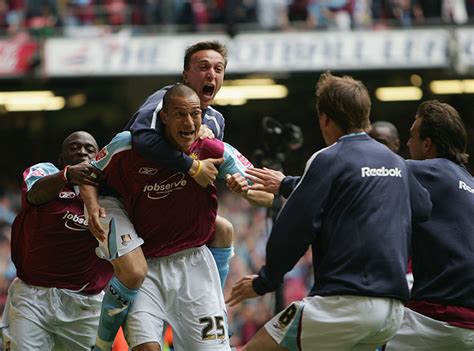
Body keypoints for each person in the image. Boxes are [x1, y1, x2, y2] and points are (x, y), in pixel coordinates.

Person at [226, 72, 432, 351]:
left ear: (325, 119)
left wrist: (265, 282)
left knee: (256, 348)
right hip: (392, 310)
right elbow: (423, 208)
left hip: (343, 305)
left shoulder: (329, 158)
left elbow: (293, 228)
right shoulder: (396, 162)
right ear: (365, 115)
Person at [83, 84, 273, 351]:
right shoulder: (127, 147)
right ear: (163, 117)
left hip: (195, 266)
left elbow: (267, 196)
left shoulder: (214, 150)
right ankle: (100, 346)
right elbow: (89, 174)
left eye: (195, 114)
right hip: (147, 267)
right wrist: (91, 205)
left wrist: (246, 190)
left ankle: (214, 302)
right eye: (180, 115)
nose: (189, 122)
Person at [89, 40, 236, 350]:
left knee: (223, 229)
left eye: (218, 69)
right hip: (124, 209)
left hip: (184, 255)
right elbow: (141, 138)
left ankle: (212, 302)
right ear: (185, 74)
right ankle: (101, 344)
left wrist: (249, 183)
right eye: (203, 67)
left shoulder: (216, 123)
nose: (211, 74)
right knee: (134, 270)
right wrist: (192, 167)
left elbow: (234, 176)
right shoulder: (159, 103)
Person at [1, 131, 114, 351]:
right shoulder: (44, 173)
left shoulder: (110, 191)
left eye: (89, 149)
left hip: (85, 304)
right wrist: (67, 176)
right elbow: (34, 195)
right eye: (74, 147)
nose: (82, 151)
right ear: (61, 159)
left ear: (99, 157)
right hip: (32, 297)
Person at [385, 100, 474, 350]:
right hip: (468, 325)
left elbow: (362, 174)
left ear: (427, 144)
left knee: (366, 337)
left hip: (437, 315)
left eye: (412, 135)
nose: (406, 143)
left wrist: (287, 184)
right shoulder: (470, 183)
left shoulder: (429, 171)